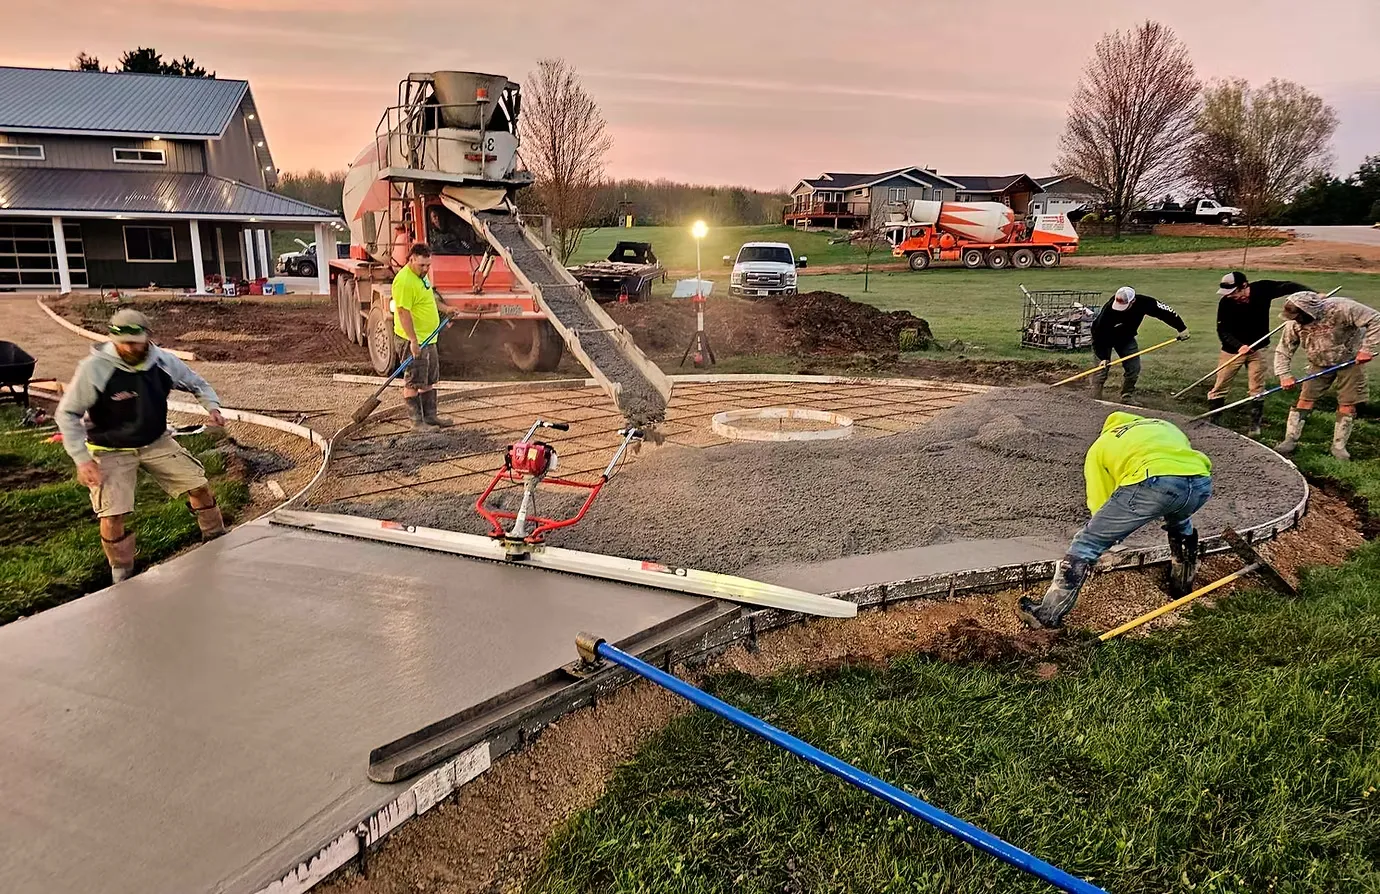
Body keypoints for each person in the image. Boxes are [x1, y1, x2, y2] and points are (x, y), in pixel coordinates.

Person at [55, 309, 228, 583]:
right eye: (121, 343)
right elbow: (67, 414)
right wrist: (81, 459)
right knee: (114, 512)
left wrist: (212, 407)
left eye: (134, 343)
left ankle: (216, 538)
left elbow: (198, 384)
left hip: (155, 441)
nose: (128, 348)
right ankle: (122, 574)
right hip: (110, 448)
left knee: (198, 484)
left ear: (147, 338)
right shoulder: (94, 369)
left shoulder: (164, 362)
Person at [1018, 411, 1213, 630]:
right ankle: (1182, 586)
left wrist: (1106, 533)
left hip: (1153, 479)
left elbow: (1099, 502)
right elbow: (1180, 461)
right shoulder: (1165, 426)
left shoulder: (1102, 444)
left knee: (1087, 543)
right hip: (1200, 482)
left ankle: (1046, 615)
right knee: (1180, 523)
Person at [1273, 290, 1380, 461]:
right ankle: (1290, 439)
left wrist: (1367, 349)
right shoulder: (1293, 324)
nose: (1296, 320)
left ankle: (1339, 447)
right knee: (1305, 399)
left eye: (1298, 316)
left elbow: (1375, 319)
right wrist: (1284, 374)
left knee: (1347, 403)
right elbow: (1284, 349)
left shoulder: (1343, 308)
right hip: (1318, 362)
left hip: (1350, 360)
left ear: (1309, 311)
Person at [1209, 271, 1313, 435]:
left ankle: (1254, 426)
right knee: (1220, 385)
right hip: (1232, 351)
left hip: (1259, 349)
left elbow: (1288, 286)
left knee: (1256, 387)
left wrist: (1312, 294)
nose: (1231, 297)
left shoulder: (1262, 289)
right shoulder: (1226, 303)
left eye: (1234, 293)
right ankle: (1214, 421)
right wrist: (1239, 346)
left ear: (1244, 286)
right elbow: (1222, 330)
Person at [392, 242, 457, 430]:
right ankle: (417, 422)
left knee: (428, 379)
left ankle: (430, 417)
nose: (426, 269)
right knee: (413, 380)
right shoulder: (404, 281)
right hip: (414, 340)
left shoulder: (422, 277)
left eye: (428, 265)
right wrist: (413, 340)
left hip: (430, 337)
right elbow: (403, 313)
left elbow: (430, 300)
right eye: (422, 265)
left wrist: (446, 309)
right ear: (411, 259)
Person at [1088, 286, 1189, 401]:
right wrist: (1103, 357)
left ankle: (1127, 396)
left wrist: (1181, 328)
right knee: (1101, 370)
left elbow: (1165, 311)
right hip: (1104, 340)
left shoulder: (1144, 303)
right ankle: (1094, 398)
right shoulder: (1108, 311)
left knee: (1134, 368)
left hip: (1126, 338)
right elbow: (1098, 336)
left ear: (1133, 301)